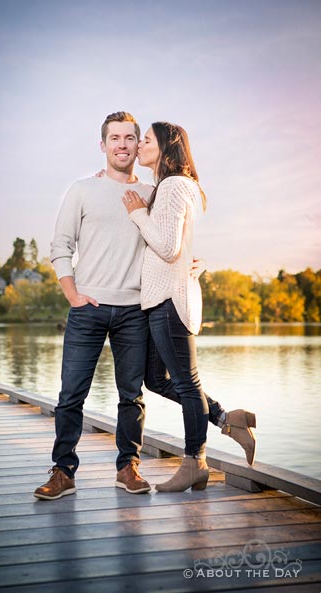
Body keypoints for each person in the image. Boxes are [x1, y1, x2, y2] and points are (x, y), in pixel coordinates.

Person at [122, 122, 256, 492]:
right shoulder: (169, 187)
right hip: (158, 299)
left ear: (166, 147)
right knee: (157, 379)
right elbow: (178, 245)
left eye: (147, 139)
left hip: (169, 301)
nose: (140, 144)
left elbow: (167, 247)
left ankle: (195, 462)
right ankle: (228, 419)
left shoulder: (174, 186)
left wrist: (136, 214)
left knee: (185, 381)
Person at [34, 112, 154, 499]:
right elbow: (60, 246)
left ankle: (128, 467)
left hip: (136, 309)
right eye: (114, 138)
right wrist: (73, 294)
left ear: (138, 145)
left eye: (129, 138)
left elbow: (169, 241)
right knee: (71, 394)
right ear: (102, 145)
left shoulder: (152, 193)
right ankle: (63, 471)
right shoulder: (82, 189)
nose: (122, 145)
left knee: (131, 395)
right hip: (88, 308)